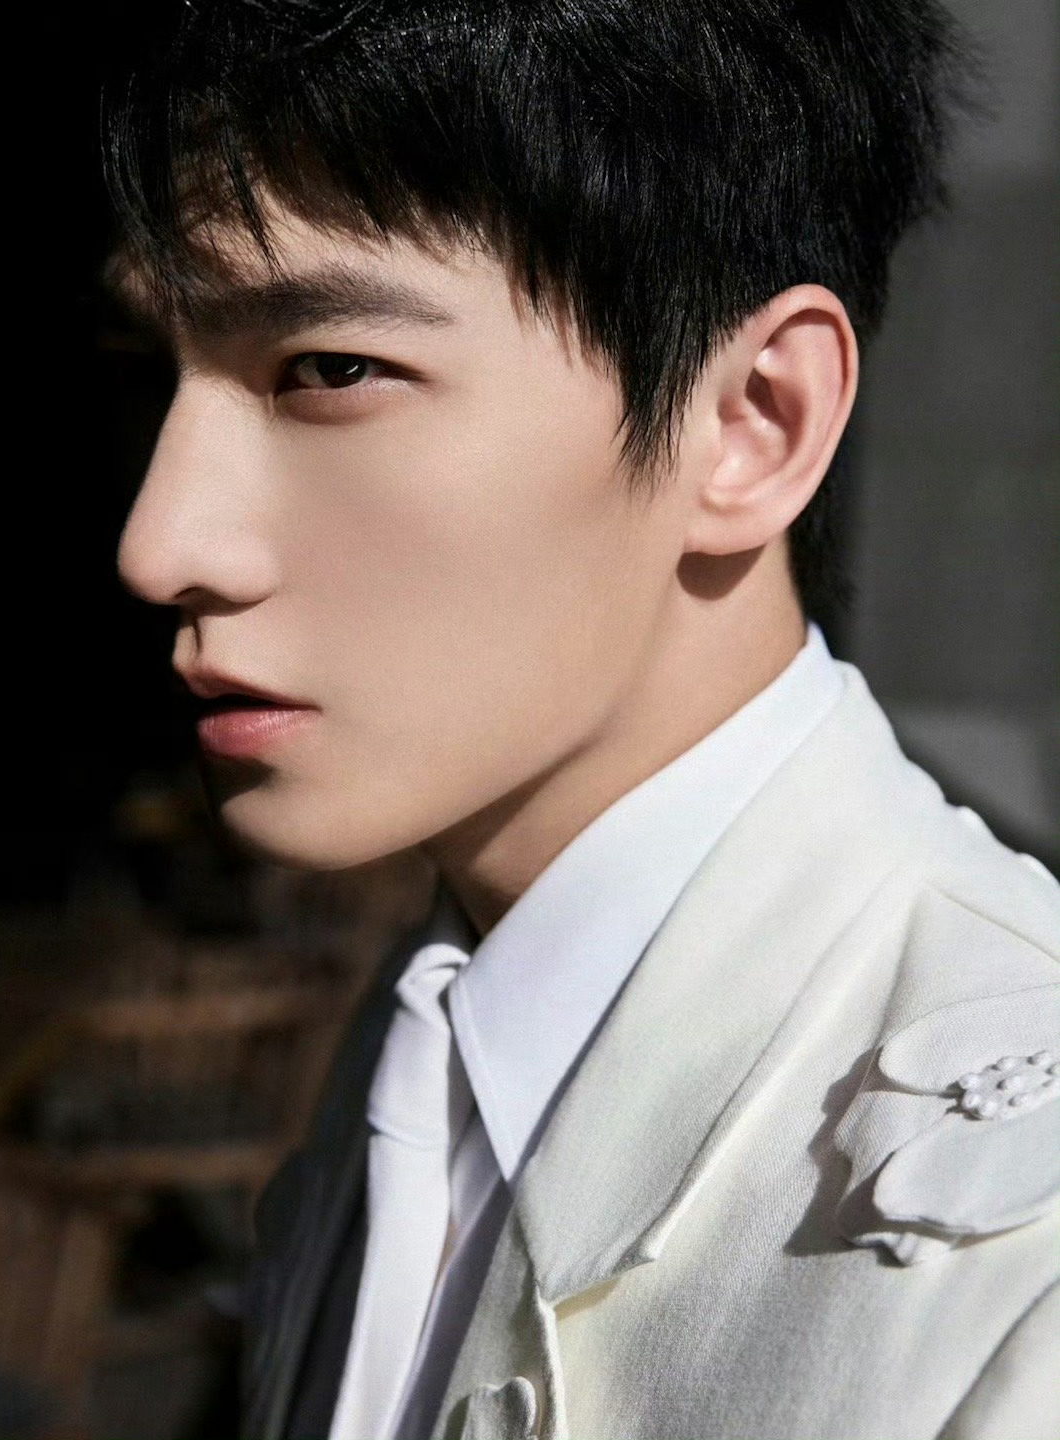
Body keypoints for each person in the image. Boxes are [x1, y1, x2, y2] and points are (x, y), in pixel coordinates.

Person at [101, 1, 1059, 1436]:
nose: (163, 541)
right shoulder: (432, 1036)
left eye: (330, 370)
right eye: (153, 377)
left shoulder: (1022, 1261)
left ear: (754, 422)